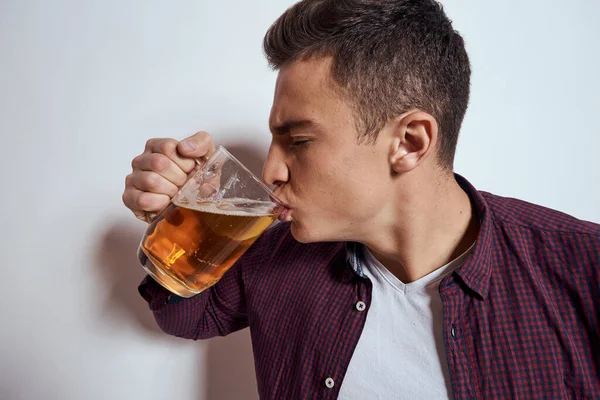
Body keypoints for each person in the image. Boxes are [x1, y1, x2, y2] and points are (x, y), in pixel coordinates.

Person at [122, 0, 600, 398]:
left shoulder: (584, 268)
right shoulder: (276, 256)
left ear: (410, 142)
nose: (270, 171)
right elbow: (187, 315)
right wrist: (176, 222)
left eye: (300, 140)